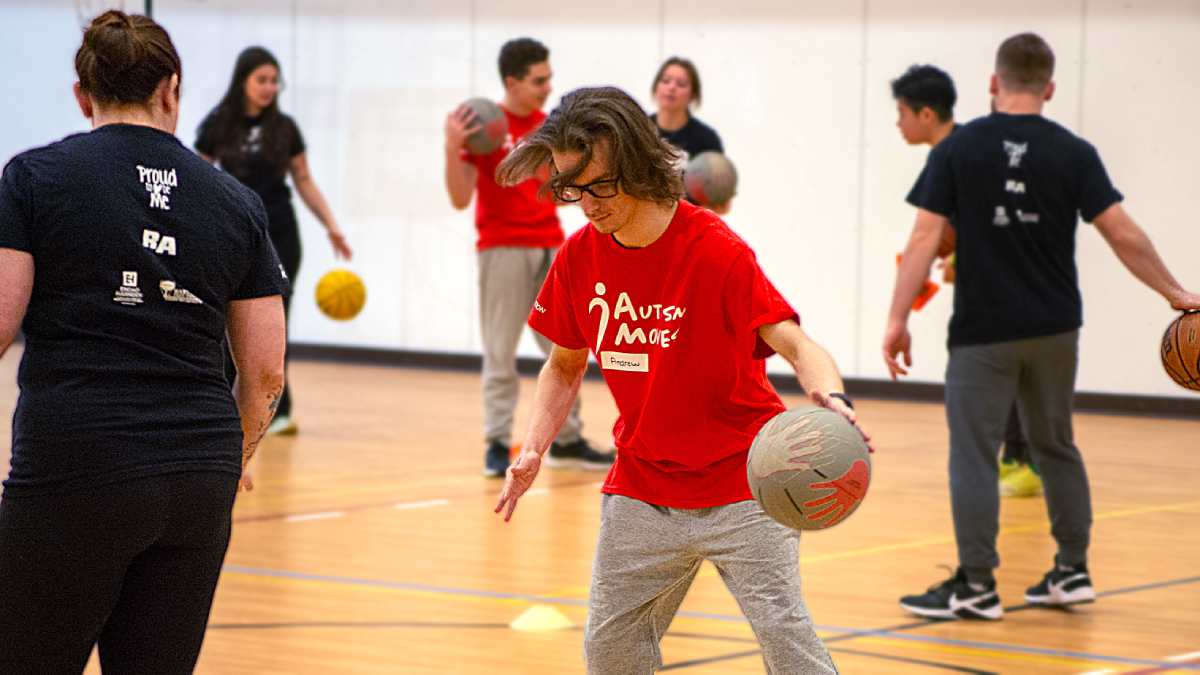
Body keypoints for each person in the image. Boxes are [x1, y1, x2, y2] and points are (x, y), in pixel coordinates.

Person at [494, 86, 863, 674]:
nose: (585, 203)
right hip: (643, 486)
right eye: (570, 188)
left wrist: (833, 396)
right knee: (609, 651)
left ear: (636, 165)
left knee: (786, 641)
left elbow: (795, 343)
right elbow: (564, 364)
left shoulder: (715, 251)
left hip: (745, 482)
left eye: (598, 185)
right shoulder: (578, 257)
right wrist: (534, 447)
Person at [0, 11, 287, 673]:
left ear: (83, 95)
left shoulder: (34, 178)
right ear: (170, 90)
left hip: (77, 466)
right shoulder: (238, 202)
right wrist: (234, 454)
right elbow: (266, 373)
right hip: (199, 480)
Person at [884, 33, 1200, 621]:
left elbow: (925, 238)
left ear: (993, 82)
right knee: (1056, 446)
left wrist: (897, 320)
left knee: (974, 457)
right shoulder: (1074, 152)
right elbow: (1122, 232)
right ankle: (1073, 571)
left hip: (983, 333)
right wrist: (1176, 292)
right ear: (1049, 88)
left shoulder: (957, 149)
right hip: (1055, 329)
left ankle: (977, 585)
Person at [444, 38, 612, 477]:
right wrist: (451, 148)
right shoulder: (484, 127)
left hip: (550, 246)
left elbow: (557, 196)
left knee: (567, 347)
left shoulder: (547, 127)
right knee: (500, 350)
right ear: (512, 82)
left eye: (549, 78)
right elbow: (460, 198)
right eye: (539, 80)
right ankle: (497, 443)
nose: (547, 87)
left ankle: (568, 441)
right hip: (501, 247)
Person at [892, 64, 1042, 499]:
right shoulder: (969, 146)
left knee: (999, 375)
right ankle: (1016, 461)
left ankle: (1025, 463)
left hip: (1009, 286)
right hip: (1006, 284)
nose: (898, 123)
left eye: (901, 113)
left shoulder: (956, 151)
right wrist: (958, 256)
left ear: (925, 114)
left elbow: (994, 221)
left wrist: (961, 257)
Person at [195, 46, 352, 436]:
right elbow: (199, 178)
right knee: (227, 320)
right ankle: (224, 404)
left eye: (273, 81)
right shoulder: (217, 125)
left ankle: (277, 409)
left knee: (275, 322)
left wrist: (332, 225)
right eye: (261, 79)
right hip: (233, 233)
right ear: (243, 81)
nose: (268, 87)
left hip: (280, 233)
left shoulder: (285, 128)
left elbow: (304, 180)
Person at [649, 56, 731, 214]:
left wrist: (719, 200)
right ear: (656, 87)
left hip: (691, 222)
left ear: (693, 95)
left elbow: (718, 200)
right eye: (665, 81)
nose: (672, 87)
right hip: (647, 222)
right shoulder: (638, 130)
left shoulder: (707, 140)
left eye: (681, 84)